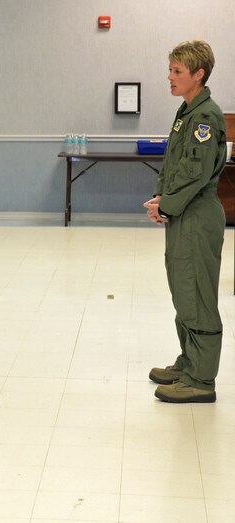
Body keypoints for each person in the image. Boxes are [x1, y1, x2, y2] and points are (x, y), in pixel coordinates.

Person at [145, 40, 227, 404]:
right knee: (184, 290)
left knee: (198, 295)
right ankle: (189, 361)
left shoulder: (205, 117)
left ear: (199, 74)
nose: (170, 77)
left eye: (177, 71)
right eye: (171, 69)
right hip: (183, 211)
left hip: (196, 214)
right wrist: (163, 199)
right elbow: (176, 166)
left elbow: (195, 175)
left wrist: (168, 206)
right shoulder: (187, 111)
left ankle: (201, 379)